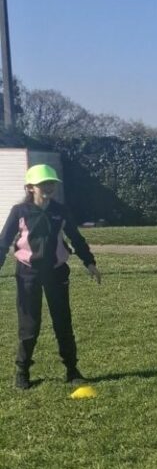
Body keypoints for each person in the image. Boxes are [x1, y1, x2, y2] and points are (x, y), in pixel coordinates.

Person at [0, 164, 101, 390]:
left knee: (63, 322)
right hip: (28, 273)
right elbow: (4, 242)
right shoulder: (20, 212)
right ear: (30, 187)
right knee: (30, 325)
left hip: (56, 272)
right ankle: (22, 372)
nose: (48, 187)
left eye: (51, 183)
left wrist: (89, 262)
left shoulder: (60, 210)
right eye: (43, 184)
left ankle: (72, 370)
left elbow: (75, 237)